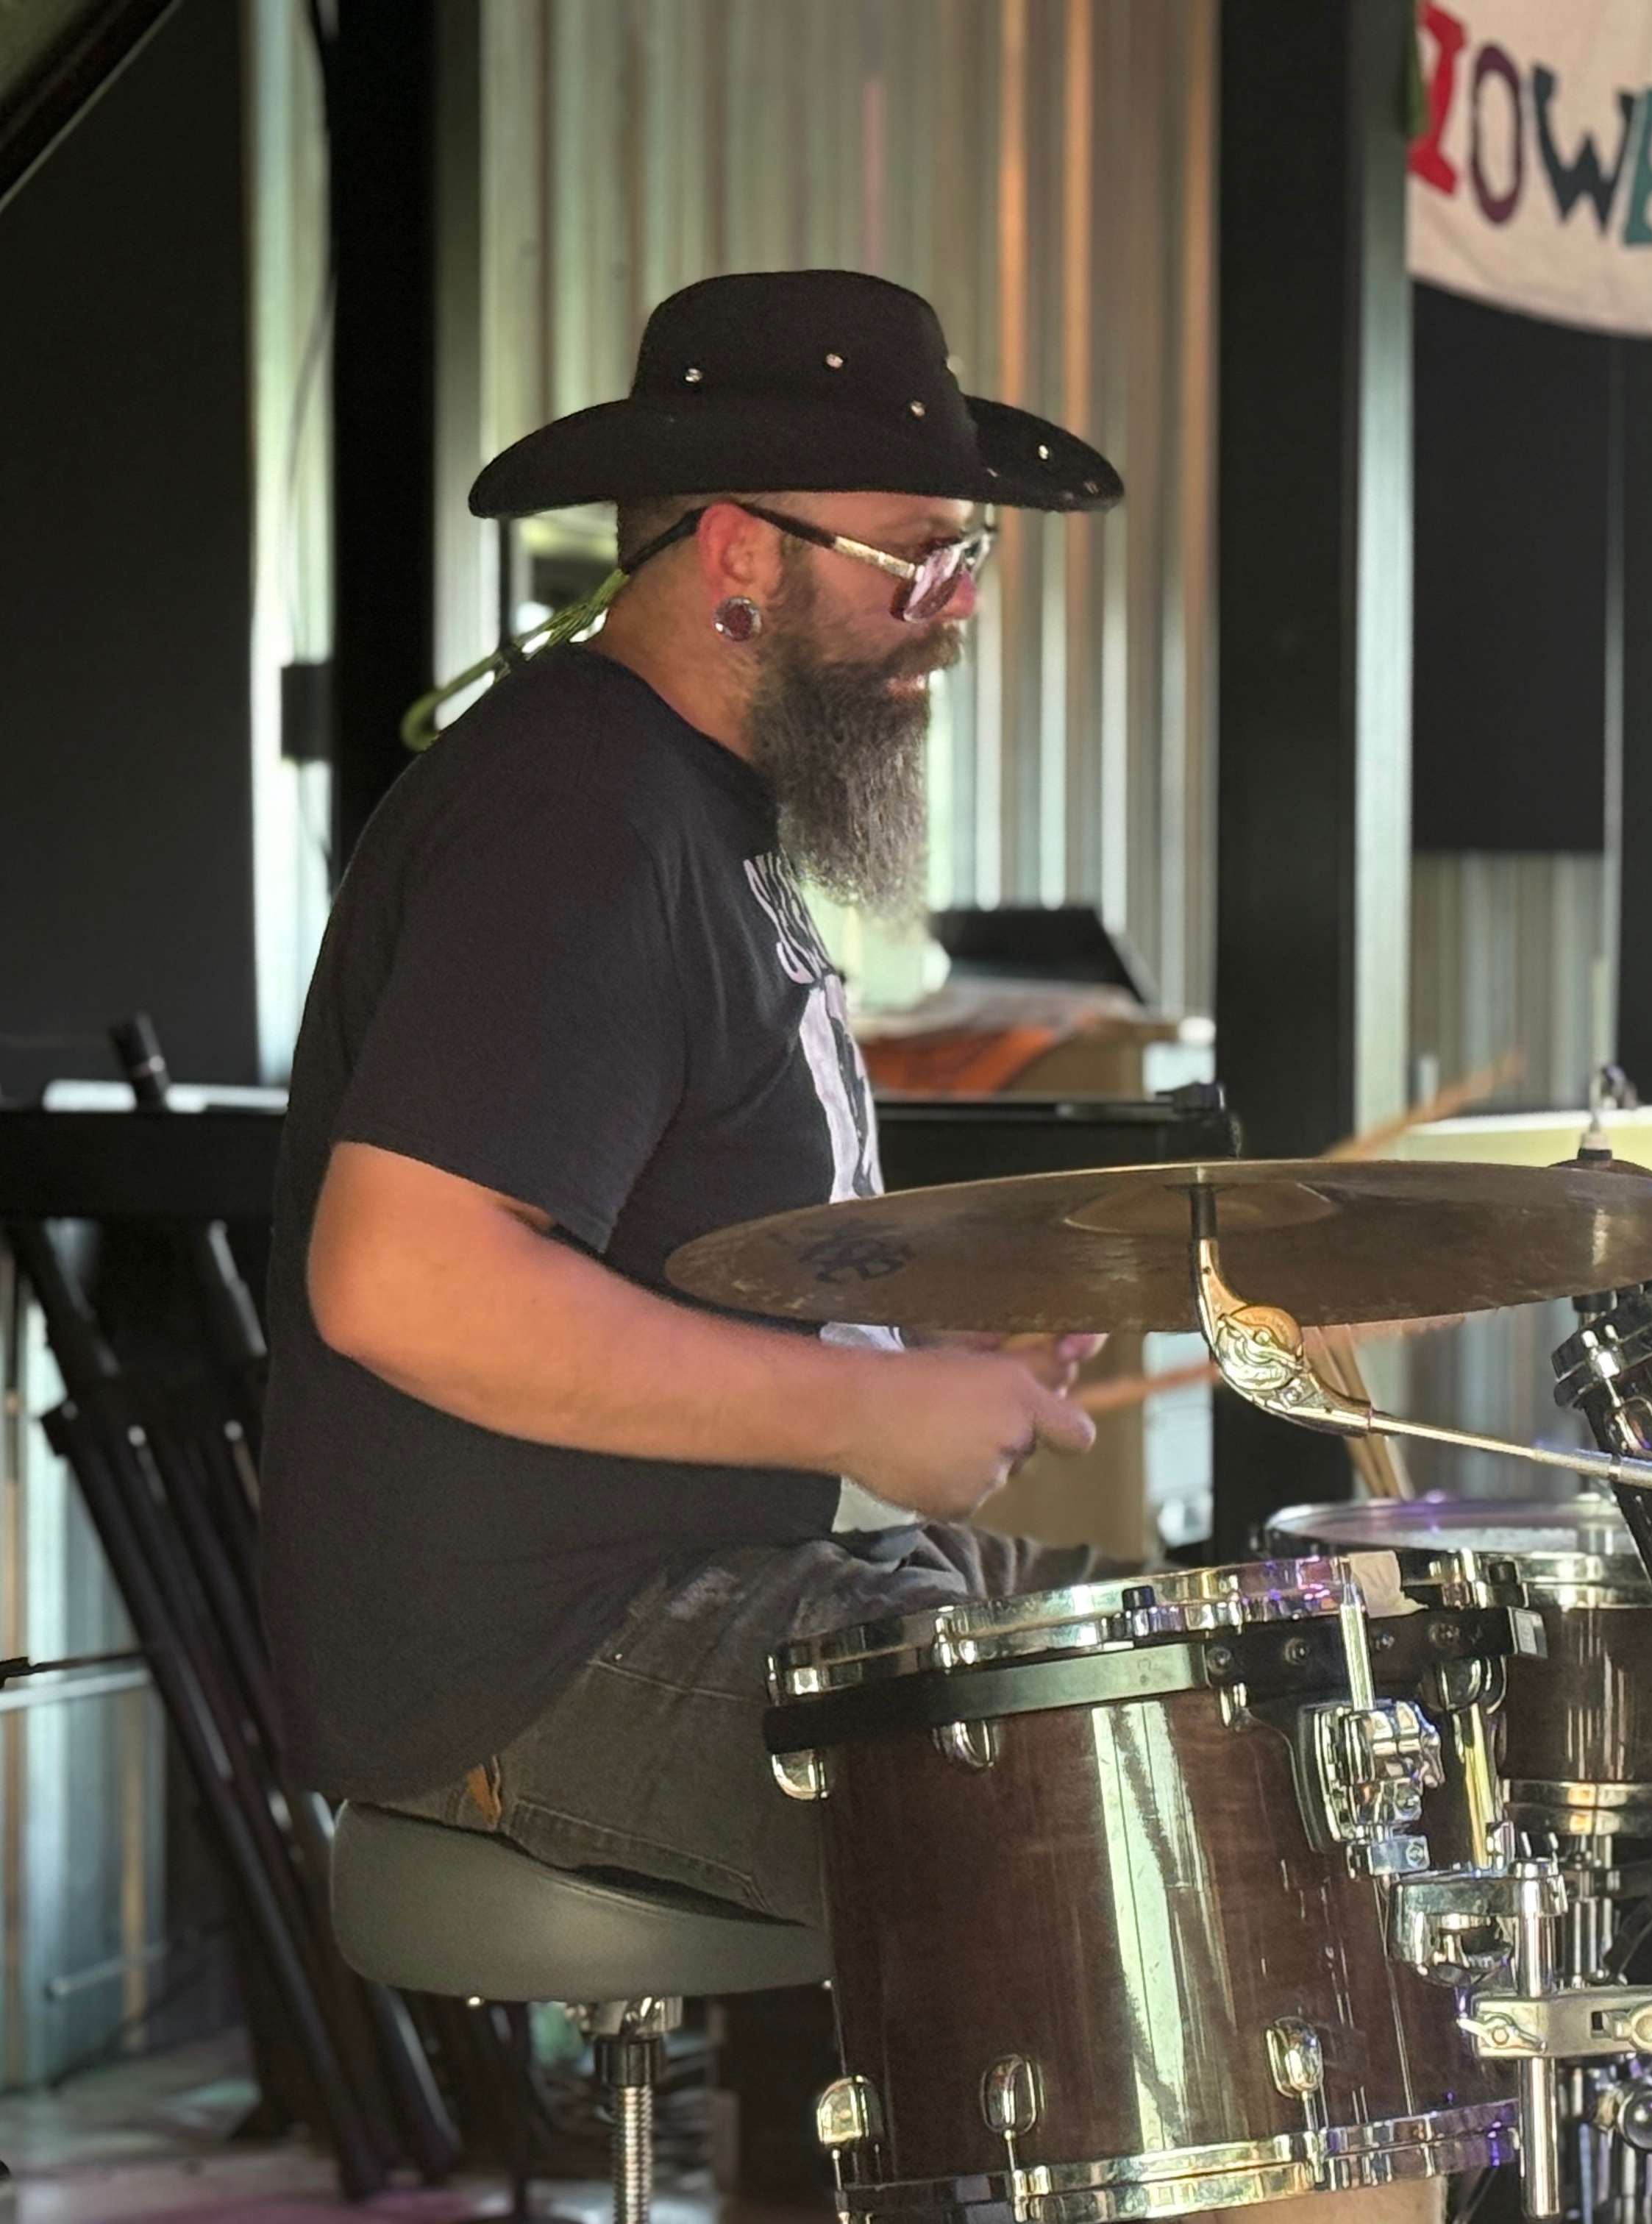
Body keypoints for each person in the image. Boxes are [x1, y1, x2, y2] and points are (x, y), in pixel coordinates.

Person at [258, 270, 1128, 1925]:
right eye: (918, 559)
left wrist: (909, 1359)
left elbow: (665, 1256)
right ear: (738, 555)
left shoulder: (690, 805)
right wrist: (861, 1413)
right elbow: (404, 1278)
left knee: (1273, 1683)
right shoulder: (577, 816)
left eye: (968, 561)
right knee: (1138, 1837)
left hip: (730, 1574)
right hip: (550, 1650)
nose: (955, 610)